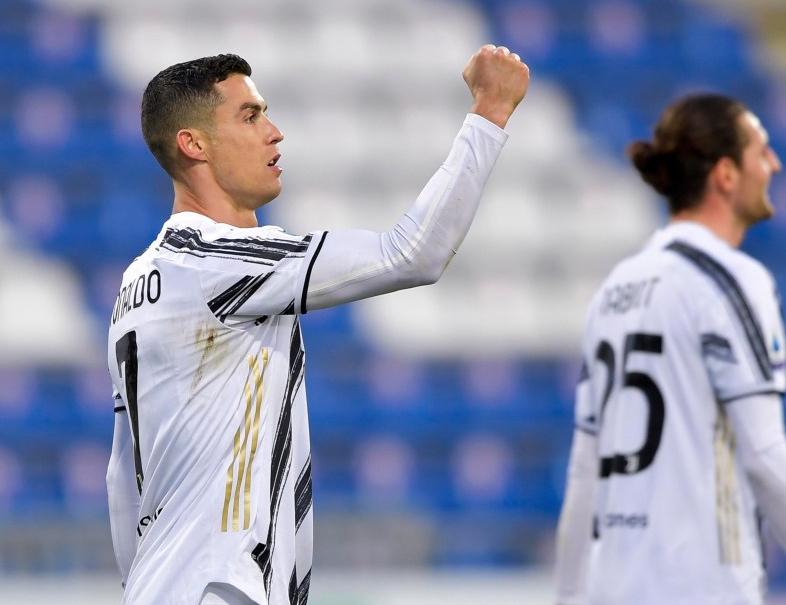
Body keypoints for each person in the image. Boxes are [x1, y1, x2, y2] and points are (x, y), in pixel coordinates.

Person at [106, 45, 529, 604]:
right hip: (220, 583)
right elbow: (413, 254)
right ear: (194, 143)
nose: (274, 132)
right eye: (250, 116)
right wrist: (489, 114)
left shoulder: (140, 281)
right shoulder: (220, 262)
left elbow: (120, 478)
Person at [554, 94, 786, 605]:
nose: (775, 164)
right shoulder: (730, 280)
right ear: (726, 174)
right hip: (700, 587)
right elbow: (764, 453)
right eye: (761, 151)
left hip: (611, 590)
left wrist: (567, 597)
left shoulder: (614, 290)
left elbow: (584, 468)